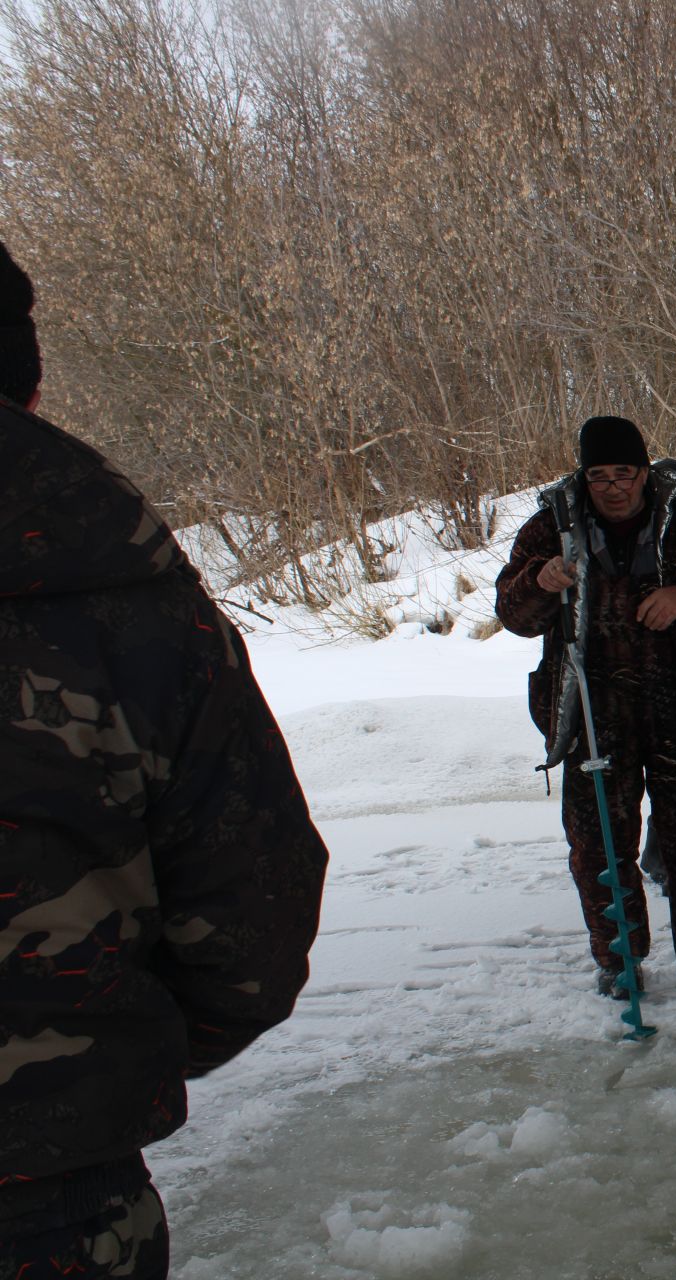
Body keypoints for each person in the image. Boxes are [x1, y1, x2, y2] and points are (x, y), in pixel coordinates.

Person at [1, 242, 330, 1279]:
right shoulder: (125, 594)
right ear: (28, 378)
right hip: (51, 1184)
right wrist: (107, 1056)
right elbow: (251, 915)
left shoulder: (116, 589)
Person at [494, 417, 676, 993]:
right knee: (599, 846)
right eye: (599, 475)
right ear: (583, 477)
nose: (614, 487)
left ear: (644, 471)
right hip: (593, 712)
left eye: (625, 473)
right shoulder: (551, 528)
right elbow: (512, 615)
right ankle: (620, 963)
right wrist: (539, 582)